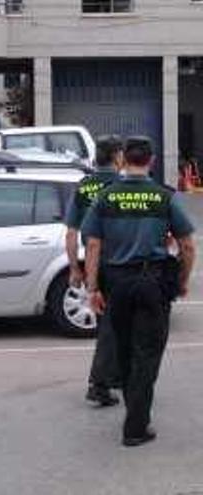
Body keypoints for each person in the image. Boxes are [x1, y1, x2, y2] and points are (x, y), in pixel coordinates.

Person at [82, 136, 196, 447]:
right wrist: (183, 280)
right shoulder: (164, 197)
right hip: (152, 284)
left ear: (123, 160)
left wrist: (92, 288)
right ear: (152, 161)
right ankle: (135, 427)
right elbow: (186, 245)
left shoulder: (104, 198)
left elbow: (92, 244)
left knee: (125, 351)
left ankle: (136, 413)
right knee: (147, 354)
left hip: (116, 284)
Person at [64, 135, 124, 407]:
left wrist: (76, 269)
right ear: (117, 157)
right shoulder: (122, 185)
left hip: (93, 265)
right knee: (116, 327)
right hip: (120, 265)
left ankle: (113, 379)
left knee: (109, 325)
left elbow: (71, 233)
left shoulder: (84, 186)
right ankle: (100, 384)